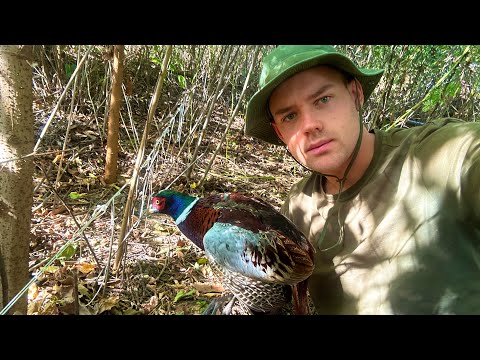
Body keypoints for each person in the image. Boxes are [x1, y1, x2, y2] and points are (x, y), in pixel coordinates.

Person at [244, 45, 480, 315]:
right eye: (290, 116)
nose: (309, 125)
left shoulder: (439, 158)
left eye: (323, 99)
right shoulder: (298, 208)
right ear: (280, 133)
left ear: (355, 94)